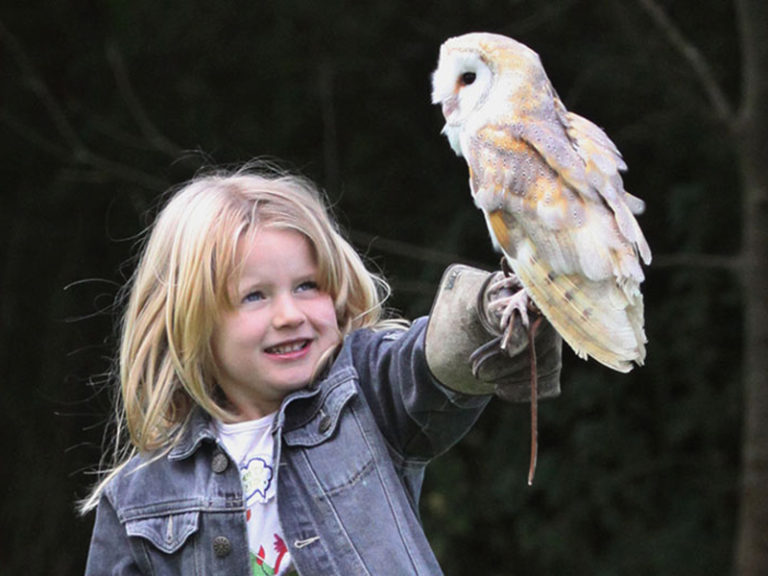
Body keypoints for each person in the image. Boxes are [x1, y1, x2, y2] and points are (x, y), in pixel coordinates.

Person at [81, 164, 562, 575]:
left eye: (307, 286)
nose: (289, 314)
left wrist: (487, 316)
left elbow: (427, 364)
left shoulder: (365, 395)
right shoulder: (138, 497)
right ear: (193, 322)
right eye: (255, 295)